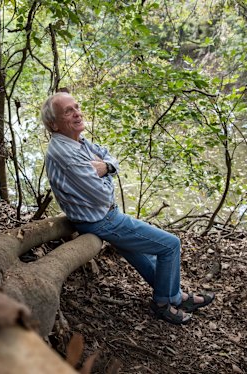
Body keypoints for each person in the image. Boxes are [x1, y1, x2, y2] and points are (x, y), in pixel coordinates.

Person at [41, 92, 214, 325]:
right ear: (53, 124)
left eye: (77, 107)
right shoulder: (66, 153)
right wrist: (107, 170)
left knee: (142, 255)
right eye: (68, 111)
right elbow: (103, 194)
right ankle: (163, 303)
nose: (77, 113)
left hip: (104, 214)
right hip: (101, 219)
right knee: (170, 245)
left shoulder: (76, 141)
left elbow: (109, 157)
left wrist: (106, 167)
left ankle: (176, 296)